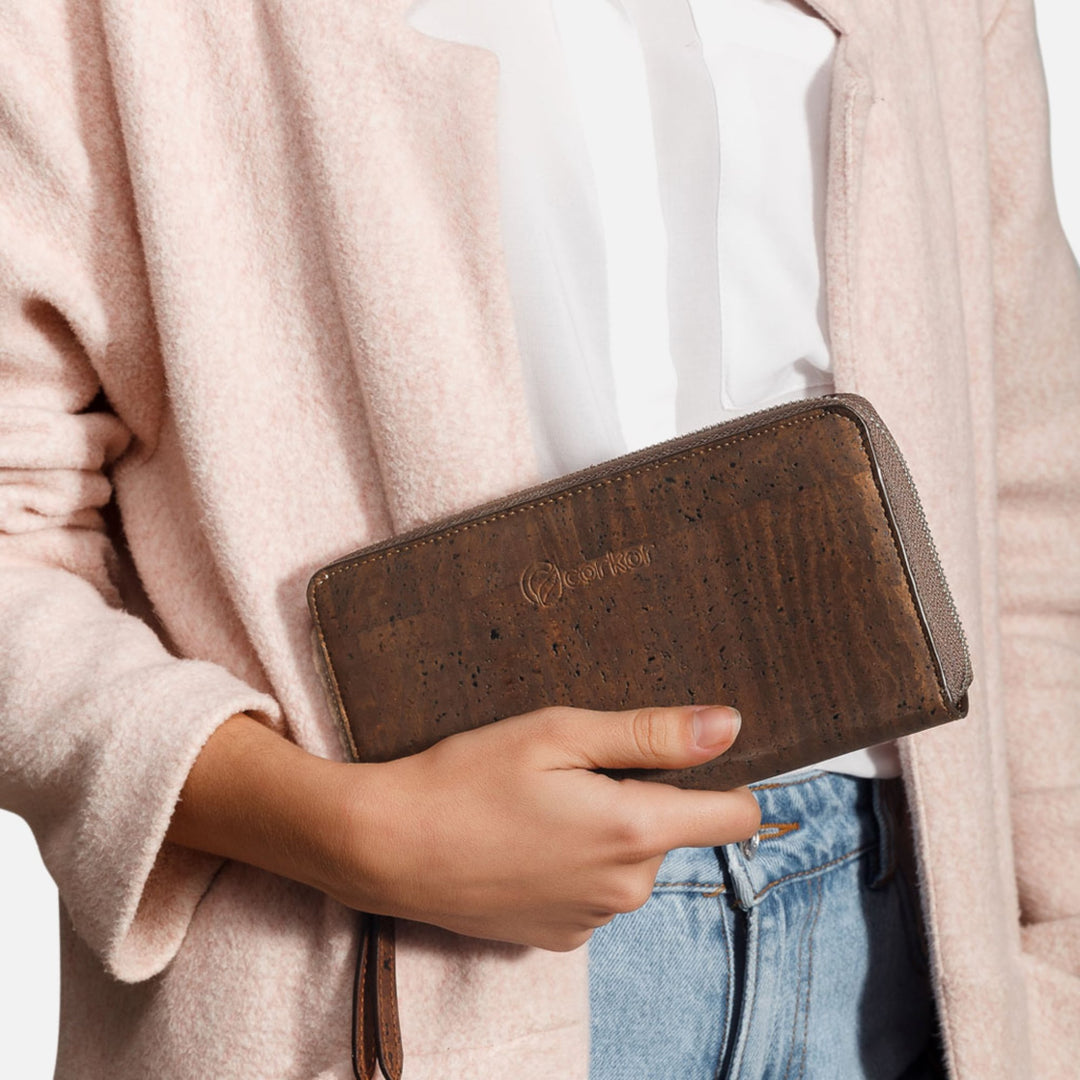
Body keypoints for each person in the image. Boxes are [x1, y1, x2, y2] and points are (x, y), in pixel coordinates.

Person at [0, 2, 1076, 1079]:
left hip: (910, 937)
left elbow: (1025, 482)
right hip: (385, 965)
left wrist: (1058, 980)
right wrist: (338, 829)